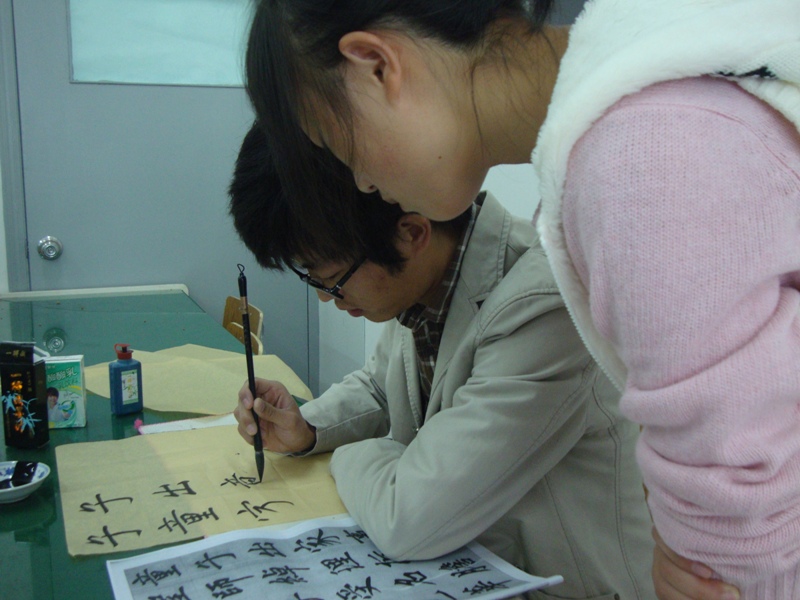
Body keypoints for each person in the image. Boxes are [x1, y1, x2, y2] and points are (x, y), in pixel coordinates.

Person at [242, 1, 800, 598]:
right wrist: (314, 429)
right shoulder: (623, 137)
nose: (362, 183)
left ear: (376, 67)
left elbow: (736, 512)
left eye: (341, 146)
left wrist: (369, 454)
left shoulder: (643, 162)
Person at [229, 123, 656, 598]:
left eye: (332, 279)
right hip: (465, 567)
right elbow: (380, 385)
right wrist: (307, 427)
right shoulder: (427, 275)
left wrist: (357, 454)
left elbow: (407, 520)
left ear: (411, 233)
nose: (327, 298)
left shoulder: (543, 307)